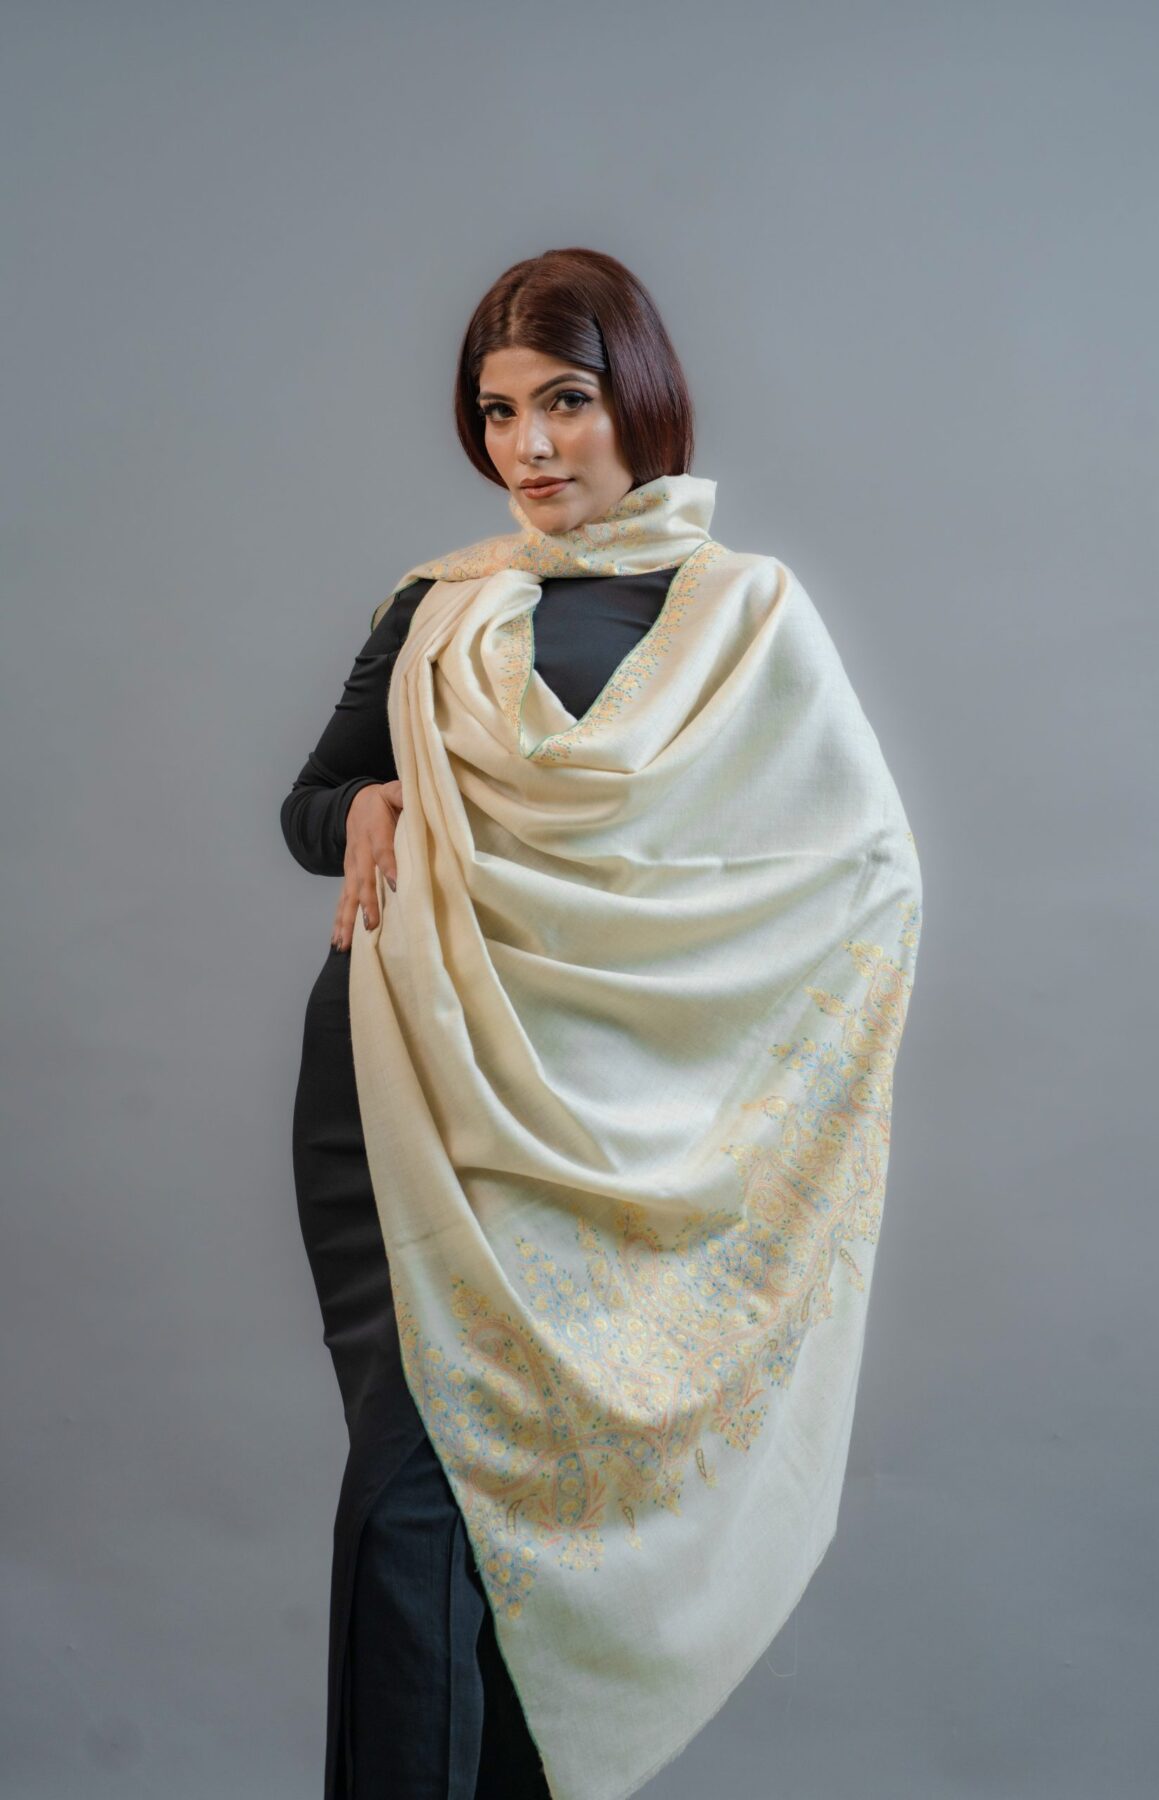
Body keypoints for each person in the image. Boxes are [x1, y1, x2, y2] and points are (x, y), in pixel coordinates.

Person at [283, 247, 923, 1800]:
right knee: (419, 1497)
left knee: (554, 1534)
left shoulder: (748, 615)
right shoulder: (442, 606)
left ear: (638, 396)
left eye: (563, 401)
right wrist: (362, 804)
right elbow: (312, 806)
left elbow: (858, 873)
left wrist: (732, 1073)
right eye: (498, 412)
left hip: (635, 1129)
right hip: (410, 1089)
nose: (529, 446)